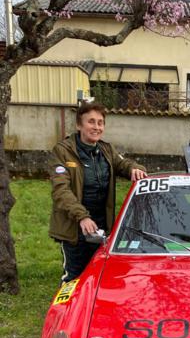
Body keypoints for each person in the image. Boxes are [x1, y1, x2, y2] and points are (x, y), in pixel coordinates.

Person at [49, 101, 147, 282]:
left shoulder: (106, 149)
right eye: (91, 122)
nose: (96, 127)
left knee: (100, 275)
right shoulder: (63, 151)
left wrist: (134, 168)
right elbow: (60, 190)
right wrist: (82, 217)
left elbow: (123, 164)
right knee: (75, 277)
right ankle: (69, 310)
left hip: (103, 226)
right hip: (75, 227)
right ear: (79, 125)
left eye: (100, 122)